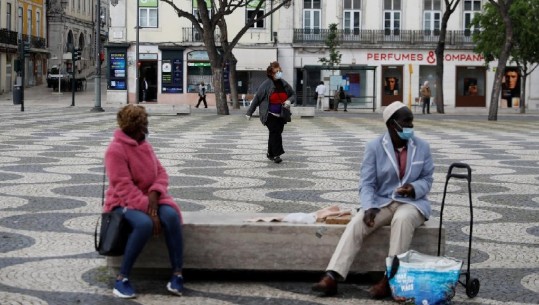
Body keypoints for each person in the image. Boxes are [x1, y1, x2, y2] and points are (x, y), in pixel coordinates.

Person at [311, 101, 434, 299]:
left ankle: (390, 280)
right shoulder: (374, 147)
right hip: (382, 201)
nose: (411, 126)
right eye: (406, 122)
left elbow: (427, 179)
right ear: (392, 124)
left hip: (412, 203)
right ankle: (332, 276)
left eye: (412, 122)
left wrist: (414, 188)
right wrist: (368, 207)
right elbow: (367, 184)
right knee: (358, 222)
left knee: (402, 220)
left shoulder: (422, 147)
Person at [104, 105, 184, 299]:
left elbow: (161, 173)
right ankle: (122, 278)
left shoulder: (144, 145)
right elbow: (123, 187)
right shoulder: (115, 150)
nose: (144, 131)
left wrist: (156, 193)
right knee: (143, 224)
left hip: (152, 198)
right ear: (131, 127)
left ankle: (177, 273)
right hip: (122, 202)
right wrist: (151, 211)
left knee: (172, 217)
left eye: (144, 126)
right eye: (141, 126)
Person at [246, 61, 296, 164]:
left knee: (275, 133)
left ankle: (270, 154)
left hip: (281, 114)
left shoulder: (284, 83)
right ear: (271, 73)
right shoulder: (265, 85)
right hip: (269, 114)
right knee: (275, 132)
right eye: (276, 71)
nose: (279, 72)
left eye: (280, 70)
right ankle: (277, 155)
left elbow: (293, 94)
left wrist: (289, 101)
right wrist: (249, 112)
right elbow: (257, 98)